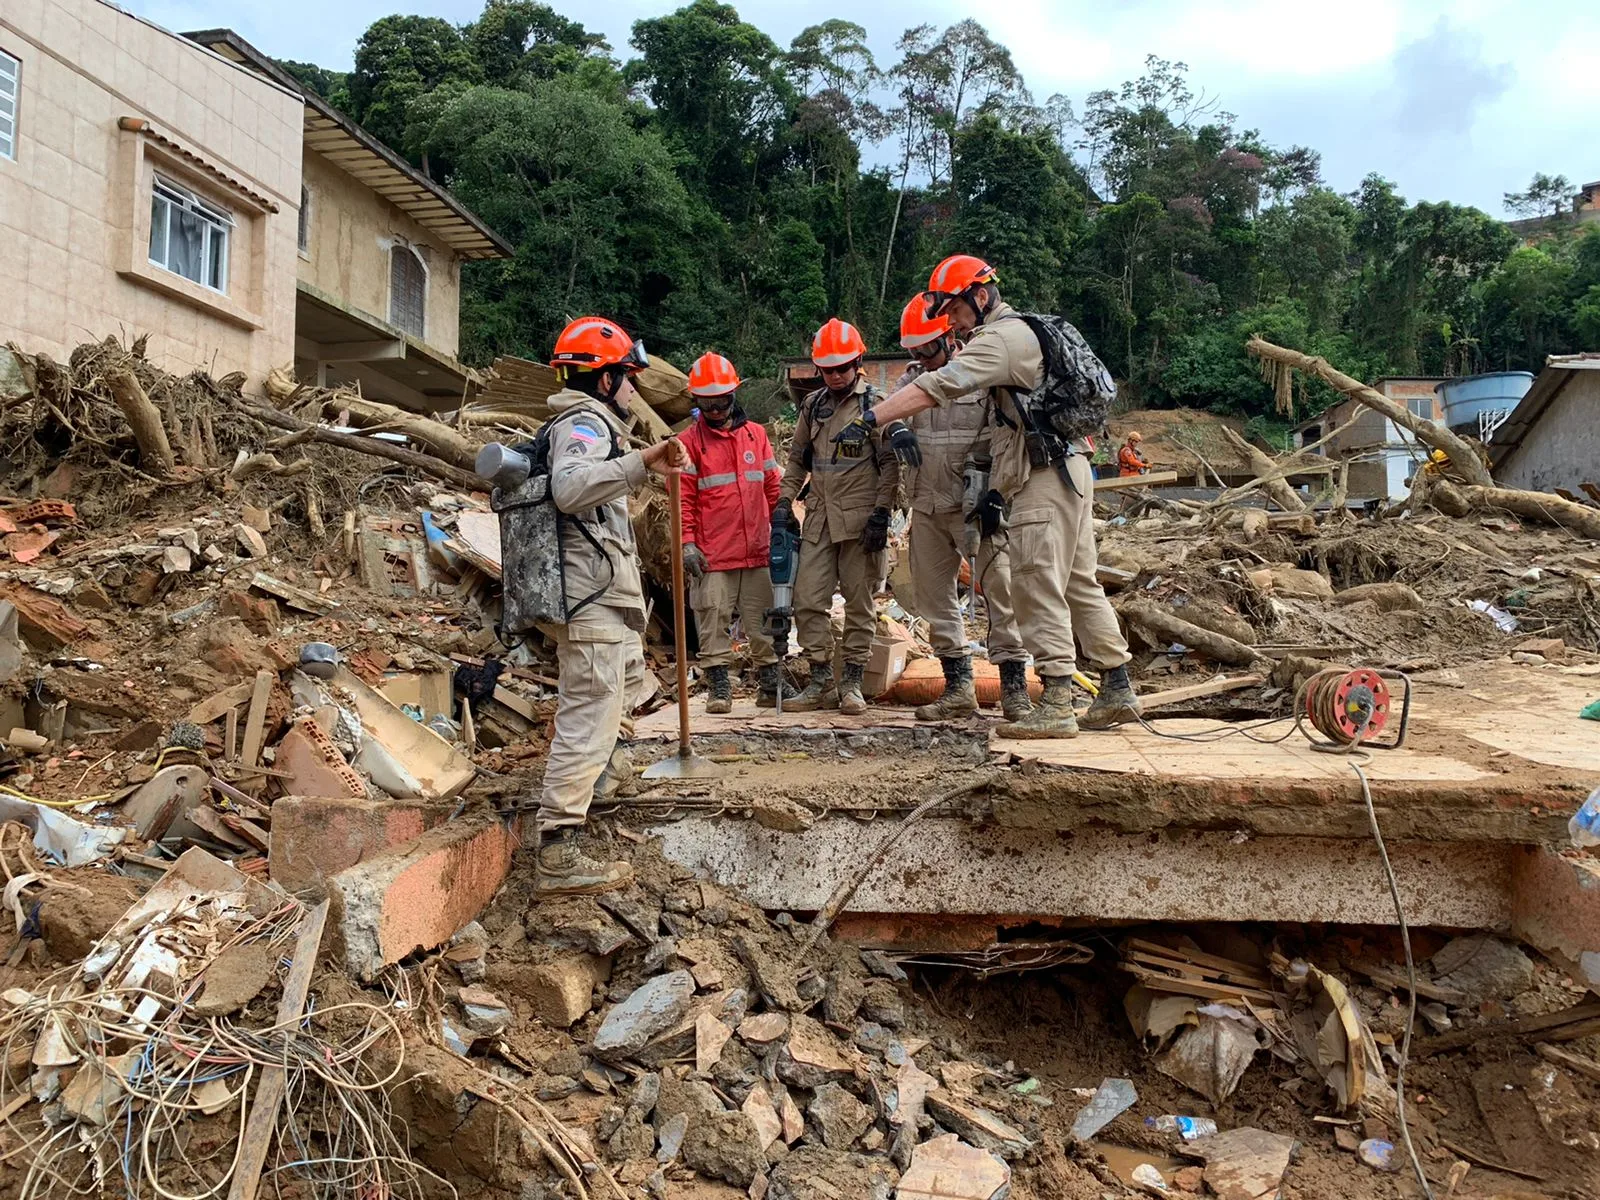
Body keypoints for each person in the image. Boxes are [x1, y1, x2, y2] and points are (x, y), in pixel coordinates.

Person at [831, 255, 1140, 738]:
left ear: (979, 295)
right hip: (1066, 466)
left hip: (1043, 472)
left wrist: (871, 419)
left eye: (952, 309)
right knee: (1080, 581)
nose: (949, 321)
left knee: (1035, 581)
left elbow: (942, 385)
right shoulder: (1021, 333)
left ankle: (1057, 700)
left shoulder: (1000, 338)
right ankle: (1117, 687)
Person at [533, 316, 688, 896]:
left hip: (606, 594)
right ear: (603, 380)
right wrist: (644, 462)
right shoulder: (583, 423)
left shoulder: (597, 424)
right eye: (626, 379)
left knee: (625, 683)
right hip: (590, 596)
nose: (632, 391)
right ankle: (557, 846)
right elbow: (571, 489)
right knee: (591, 709)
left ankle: (604, 777)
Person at [893, 296, 1030, 722]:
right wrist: (896, 427)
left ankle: (1014, 690)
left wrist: (996, 493)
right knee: (936, 600)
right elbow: (880, 412)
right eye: (913, 352)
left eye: (928, 350)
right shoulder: (912, 381)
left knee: (1001, 595)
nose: (921, 359)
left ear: (949, 338)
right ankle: (958, 688)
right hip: (927, 506)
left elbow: (1004, 433)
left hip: (975, 505)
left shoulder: (980, 372)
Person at [777, 318, 901, 716]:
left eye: (841, 368)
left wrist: (882, 513)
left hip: (861, 521)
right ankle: (819, 678)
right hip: (819, 519)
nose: (833, 375)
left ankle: (850, 681)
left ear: (857, 362)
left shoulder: (874, 404)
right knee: (807, 599)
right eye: (827, 369)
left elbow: (890, 465)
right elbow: (798, 459)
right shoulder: (813, 407)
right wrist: (783, 502)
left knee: (859, 603)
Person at [679, 351, 797, 712]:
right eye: (706, 402)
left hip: (758, 547)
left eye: (721, 400)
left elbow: (774, 486)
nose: (715, 409)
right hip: (713, 553)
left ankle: (770, 683)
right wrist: (686, 543)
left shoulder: (756, 436)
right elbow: (682, 499)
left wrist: (787, 520)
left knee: (764, 619)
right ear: (697, 400)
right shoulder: (688, 443)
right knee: (712, 618)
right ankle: (718, 687)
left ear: (734, 394)